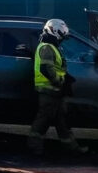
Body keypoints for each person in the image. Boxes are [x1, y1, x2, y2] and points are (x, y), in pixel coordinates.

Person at [27, 18, 86, 155]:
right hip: (49, 90)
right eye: (62, 35)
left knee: (62, 121)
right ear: (54, 31)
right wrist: (60, 81)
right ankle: (34, 148)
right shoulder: (47, 47)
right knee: (43, 120)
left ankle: (71, 148)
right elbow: (46, 69)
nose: (62, 39)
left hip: (55, 91)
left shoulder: (51, 46)